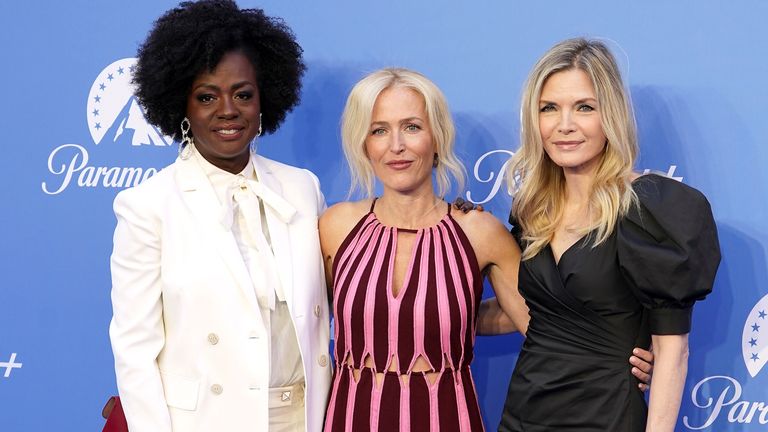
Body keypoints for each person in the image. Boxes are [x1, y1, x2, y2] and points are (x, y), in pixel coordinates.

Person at [318, 68, 653, 432]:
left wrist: (620, 357)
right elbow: (304, 322)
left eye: (412, 127)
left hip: (446, 417)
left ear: (437, 137)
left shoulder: (479, 232)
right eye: (378, 130)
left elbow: (542, 319)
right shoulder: (336, 227)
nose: (396, 145)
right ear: (363, 142)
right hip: (351, 417)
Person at [108, 1, 330, 431]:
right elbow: (135, 350)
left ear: (265, 100)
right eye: (207, 96)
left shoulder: (302, 189)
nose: (227, 110)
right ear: (181, 108)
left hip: (302, 417)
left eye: (243, 94)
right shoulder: (147, 205)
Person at [494, 38, 720, 431]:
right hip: (524, 413)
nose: (564, 125)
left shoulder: (650, 209)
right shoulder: (531, 210)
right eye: (549, 108)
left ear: (610, 116)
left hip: (608, 415)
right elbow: (520, 313)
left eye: (584, 107)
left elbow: (672, 351)